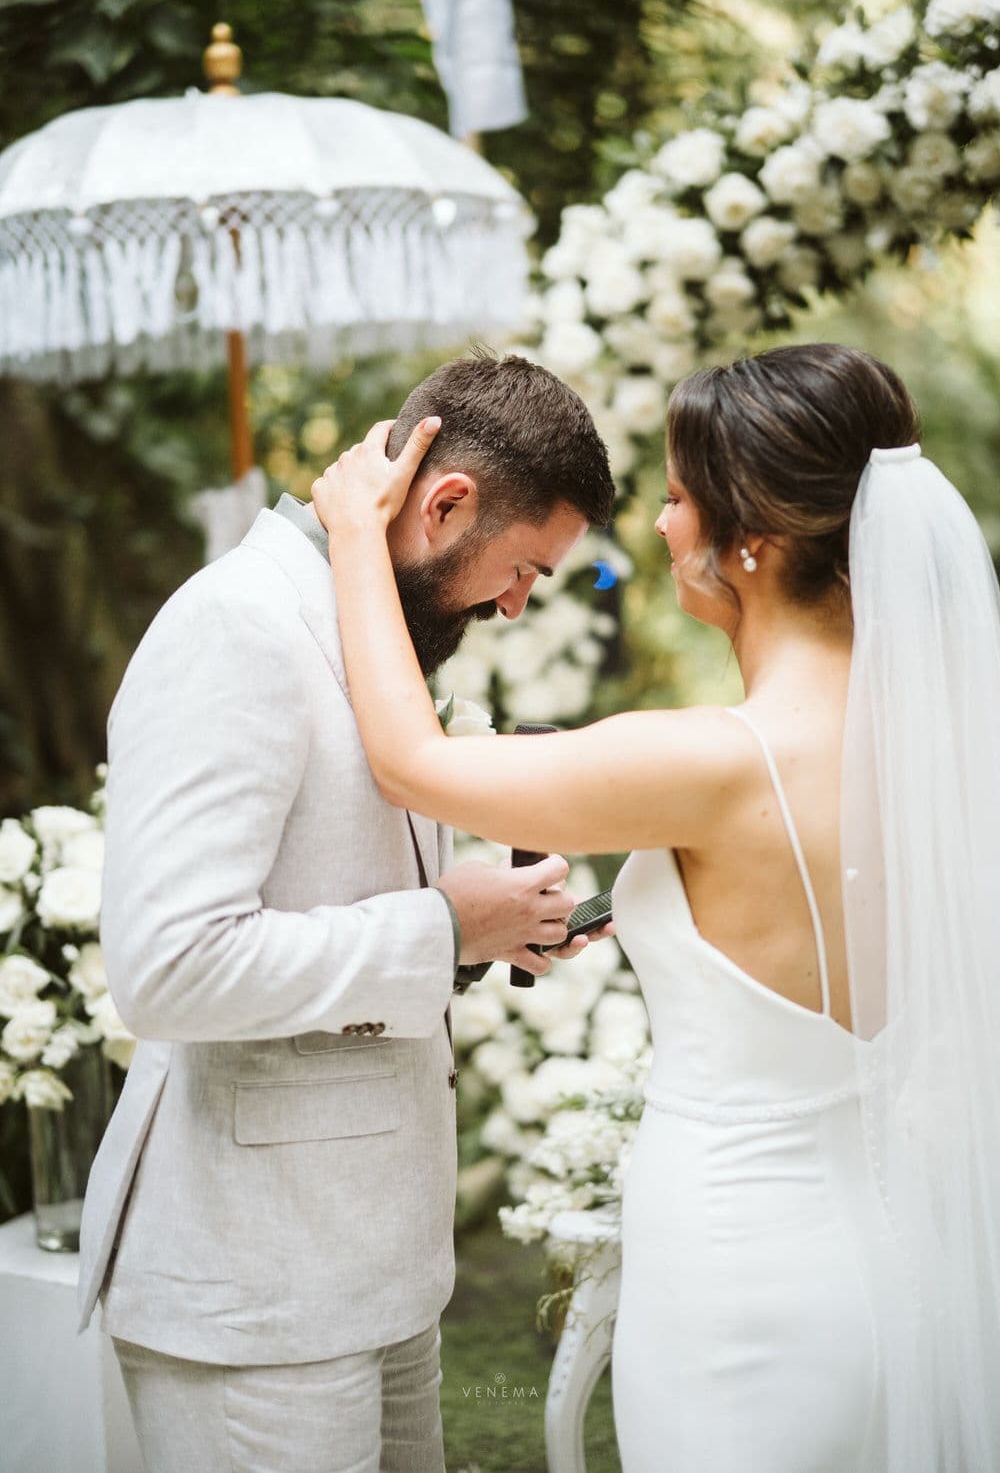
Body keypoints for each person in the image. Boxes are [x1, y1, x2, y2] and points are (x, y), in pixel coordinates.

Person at [311, 342, 1000, 1472]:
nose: (663, 528)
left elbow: (410, 763)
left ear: (752, 542)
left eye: (679, 500)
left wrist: (350, 534)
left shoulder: (716, 761)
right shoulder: (936, 752)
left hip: (737, 1278)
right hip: (878, 1263)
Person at [77, 352, 618, 1473]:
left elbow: (320, 899)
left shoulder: (367, 630)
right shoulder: (236, 628)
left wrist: (487, 935)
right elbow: (169, 968)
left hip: (372, 1271)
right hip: (257, 1292)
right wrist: (444, 929)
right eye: (522, 569)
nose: (516, 603)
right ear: (446, 504)